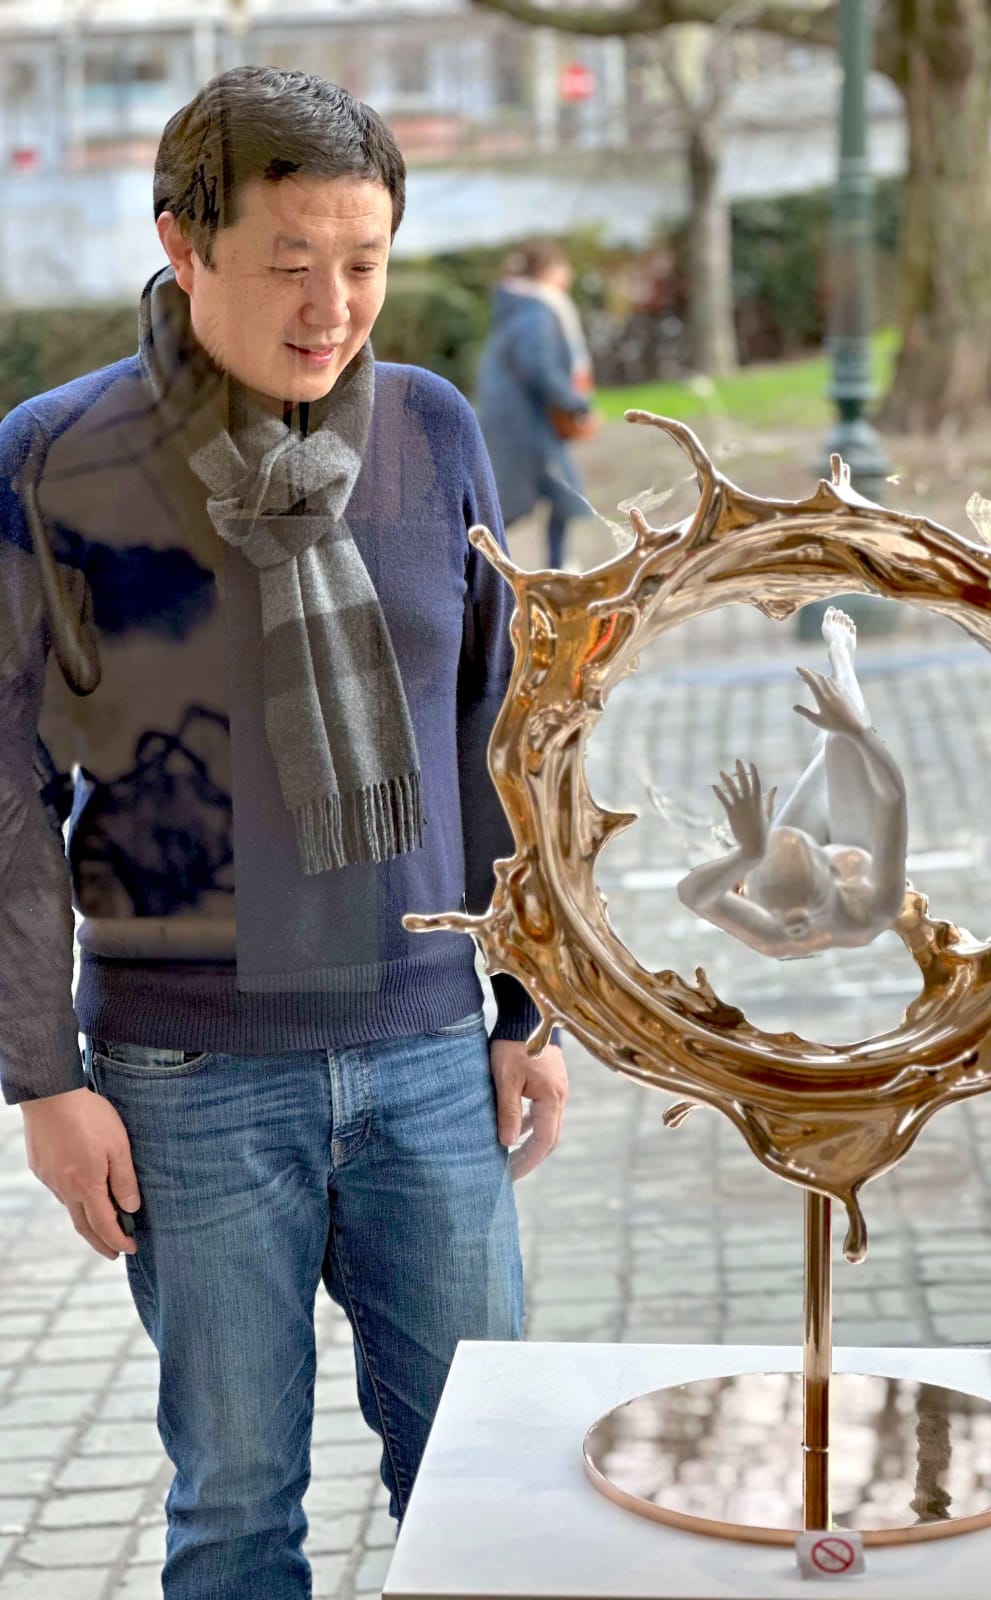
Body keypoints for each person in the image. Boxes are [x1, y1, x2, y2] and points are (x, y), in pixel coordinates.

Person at [0, 66, 567, 1599]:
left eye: (365, 263)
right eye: (289, 264)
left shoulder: (433, 429)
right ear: (183, 245)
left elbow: (492, 729)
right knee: (237, 1510)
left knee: (489, 1493)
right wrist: (42, 1081)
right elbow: (5, 784)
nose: (333, 308)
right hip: (185, 1082)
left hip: (427, 1056)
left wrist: (524, 1006)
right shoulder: (59, 459)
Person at [677, 608, 907, 958]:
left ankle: (838, 708)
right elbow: (892, 796)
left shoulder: (771, 933)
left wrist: (748, 852)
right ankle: (842, 662)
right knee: (840, 743)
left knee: (832, 746)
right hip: (859, 843)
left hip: (784, 884)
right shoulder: (873, 908)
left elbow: (691, 893)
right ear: (829, 869)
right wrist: (856, 731)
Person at [475, 240, 597, 570]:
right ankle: (467, 562)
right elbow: (539, 367)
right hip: (525, 423)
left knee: (561, 496)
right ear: (546, 271)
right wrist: (575, 403)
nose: (568, 275)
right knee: (512, 505)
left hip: (520, 419)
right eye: (563, 267)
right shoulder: (536, 310)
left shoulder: (520, 305)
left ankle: (560, 568)